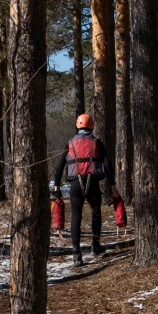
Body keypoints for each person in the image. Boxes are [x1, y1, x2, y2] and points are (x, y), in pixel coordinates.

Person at [51, 114, 117, 266]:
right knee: (96, 212)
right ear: (92, 126)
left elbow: (59, 166)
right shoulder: (96, 142)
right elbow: (107, 165)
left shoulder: (70, 143)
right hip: (92, 183)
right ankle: (95, 246)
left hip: (75, 184)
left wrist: (56, 187)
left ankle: (76, 254)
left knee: (76, 216)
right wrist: (113, 185)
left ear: (77, 125)